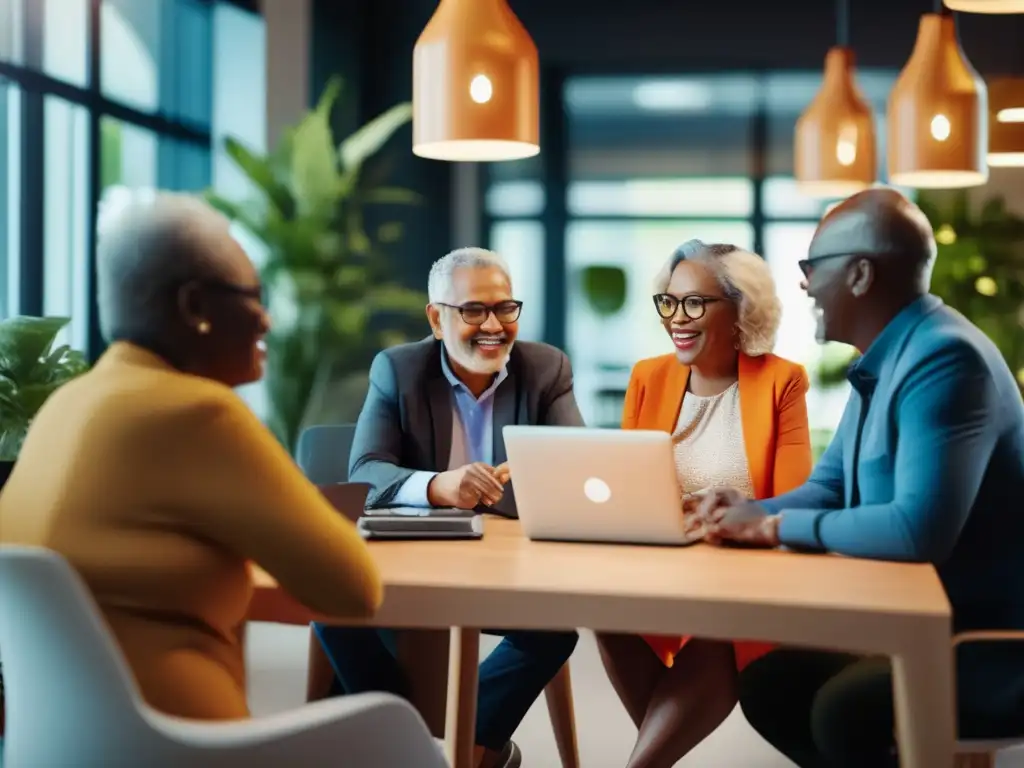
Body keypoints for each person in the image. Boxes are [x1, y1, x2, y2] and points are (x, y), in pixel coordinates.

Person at [0, 192, 383, 721]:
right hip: (183, 746)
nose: (267, 321)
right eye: (253, 295)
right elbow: (354, 589)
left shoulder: (67, 404)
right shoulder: (202, 412)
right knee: (401, 734)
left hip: (61, 742)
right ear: (195, 307)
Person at [698, 188, 1024, 767]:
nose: (803, 284)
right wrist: (747, 512)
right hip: (914, 625)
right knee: (770, 685)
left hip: (984, 648)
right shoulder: (887, 356)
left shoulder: (946, 359)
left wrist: (775, 526)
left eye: (811, 267)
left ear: (859, 274)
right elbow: (828, 489)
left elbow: (914, 532)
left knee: (843, 711)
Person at [314, 247, 583, 768]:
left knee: (553, 630)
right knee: (334, 613)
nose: (493, 325)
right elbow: (367, 470)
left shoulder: (545, 368)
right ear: (437, 319)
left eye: (506, 308)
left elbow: (572, 467)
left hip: (510, 567)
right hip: (419, 559)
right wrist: (440, 486)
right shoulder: (398, 369)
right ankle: (421, 745)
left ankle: (464, 749)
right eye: (473, 311)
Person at [596, 240, 813, 768]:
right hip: (665, 560)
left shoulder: (782, 380)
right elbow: (629, 484)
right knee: (604, 609)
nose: (677, 318)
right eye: (668, 302)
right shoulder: (648, 376)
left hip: (744, 569)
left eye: (695, 303)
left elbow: (792, 496)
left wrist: (731, 514)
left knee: (719, 629)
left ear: (742, 308)